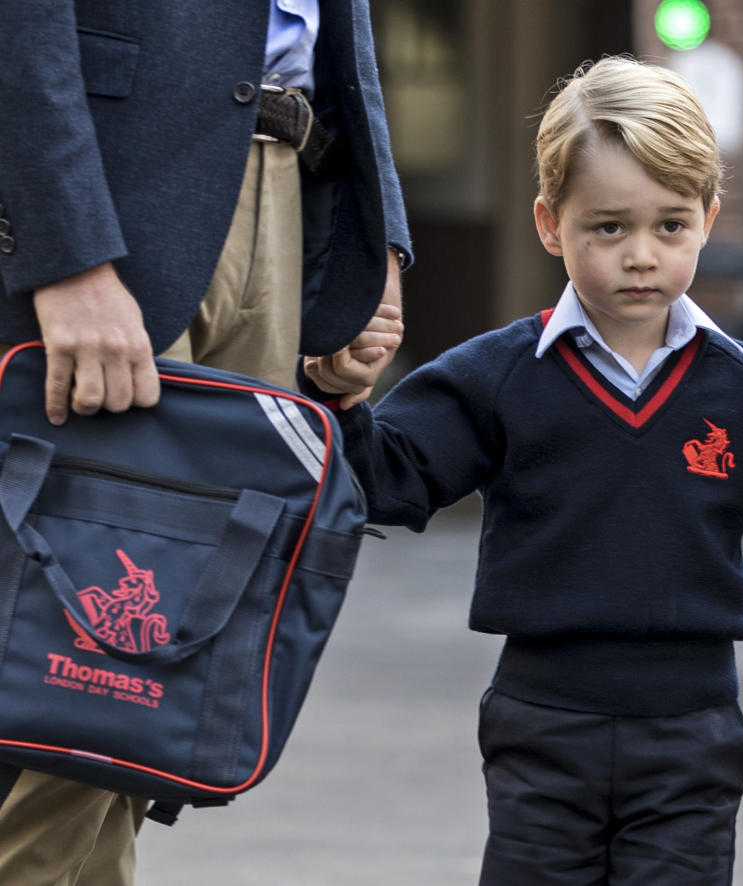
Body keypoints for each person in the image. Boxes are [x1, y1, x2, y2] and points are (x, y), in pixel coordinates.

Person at [302, 55, 743, 885]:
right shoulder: (499, 373)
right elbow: (387, 479)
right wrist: (340, 398)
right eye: (608, 227)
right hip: (541, 720)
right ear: (549, 223)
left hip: (693, 730)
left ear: (708, 219)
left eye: (670, 225)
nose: (641, 255)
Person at [0, 2, 409, 884]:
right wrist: (65, 252)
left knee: (153, 682)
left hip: (283, 180)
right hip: (116, 191)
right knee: (72, 666)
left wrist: (371, 244)